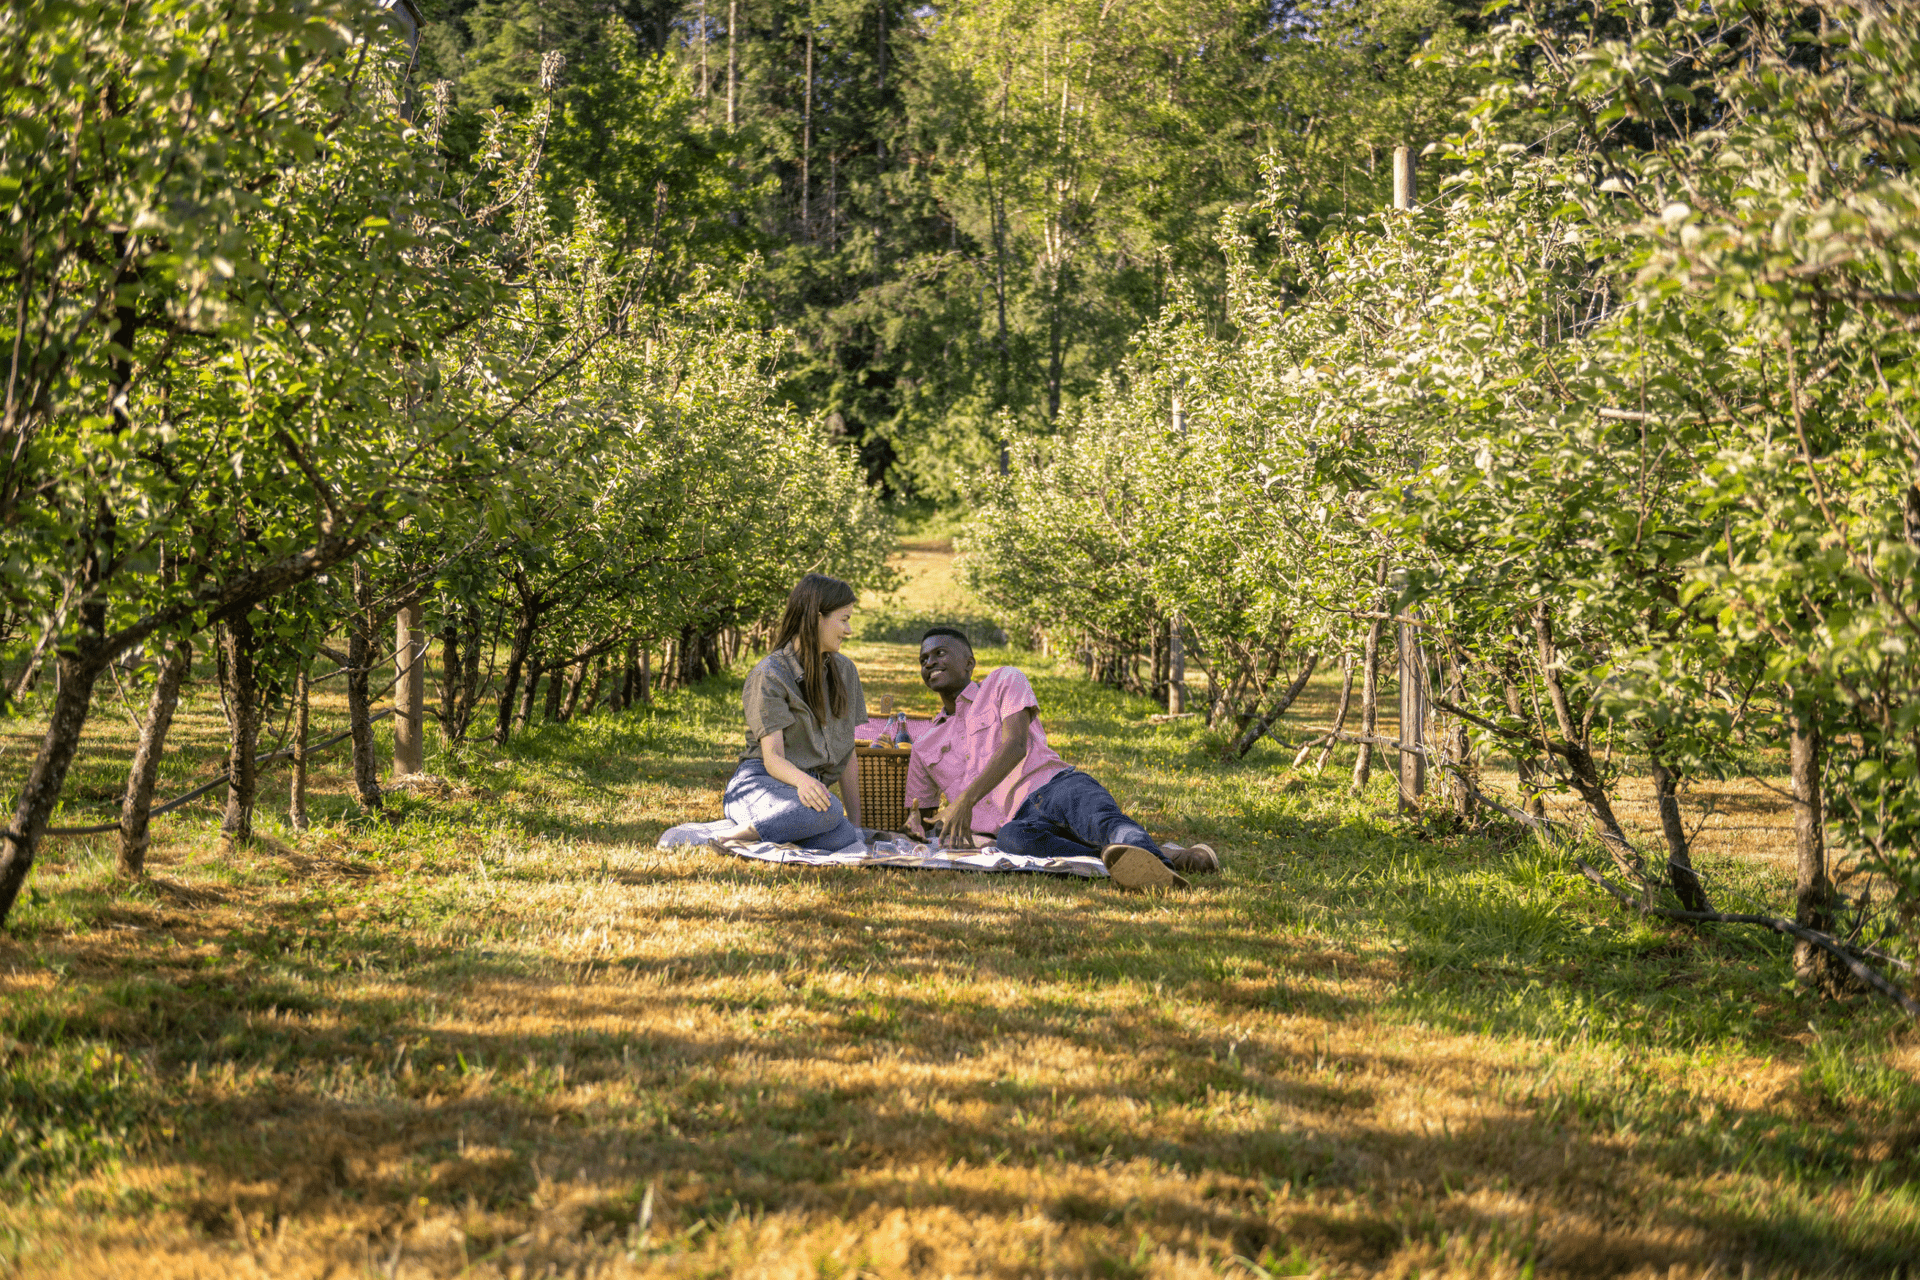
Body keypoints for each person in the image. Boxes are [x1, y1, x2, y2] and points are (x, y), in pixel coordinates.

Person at [903, 627, 1220, 890]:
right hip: (1016, 825)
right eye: (923, 659)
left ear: (969, 662)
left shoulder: (1004, 681)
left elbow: (1015, 746)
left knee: (1106, 824)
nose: (929, 662)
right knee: (1014, 842)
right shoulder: (924, 745)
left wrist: (966, 800)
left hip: (1056, 787)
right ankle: (1173, 858)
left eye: (939, 653)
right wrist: (919, 826)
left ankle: (1163, 874)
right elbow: (928, 820)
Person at [712, 574, 868, 851]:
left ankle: (770, 829)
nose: (849, 630)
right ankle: (739, 835)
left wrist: (856, 825)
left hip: (802, 792)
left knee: (844, 836)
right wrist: (806, 783)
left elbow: (848, 754)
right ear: (817, 617)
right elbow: (773, 758)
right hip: (760, 782)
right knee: (830, 809)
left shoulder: (845, 672)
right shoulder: (770, 674)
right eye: (844, 619)